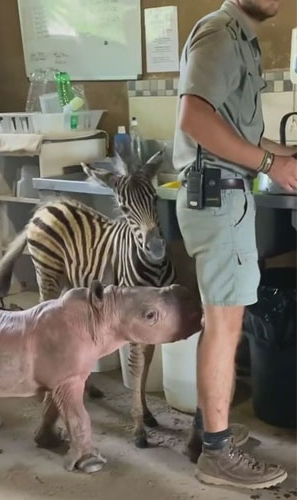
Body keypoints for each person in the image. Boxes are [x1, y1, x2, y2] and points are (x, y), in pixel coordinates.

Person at [174, 0, 297, 490]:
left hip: (227, 196)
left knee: (224, 322)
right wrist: (273, 167)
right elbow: (195, 120)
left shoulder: (240, 38)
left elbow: (240, 134)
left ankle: (211, 429)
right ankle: (217, 454)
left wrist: (282, 153)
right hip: (218, 197)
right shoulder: (220, 33)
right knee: (224, 325)